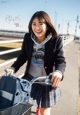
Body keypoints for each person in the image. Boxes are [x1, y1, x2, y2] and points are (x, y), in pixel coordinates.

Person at [6, 11, 66, 115]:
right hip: (29, 79)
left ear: (47, 25)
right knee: (21, 105)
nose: (37, 28)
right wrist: (13, 68)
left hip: (46, 81)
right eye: (34, 24)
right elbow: (23, 56)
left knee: (44, 110)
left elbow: (60, 60)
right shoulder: (28, 38)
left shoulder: (56, 40)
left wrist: (58, 72)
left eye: (41, 24)